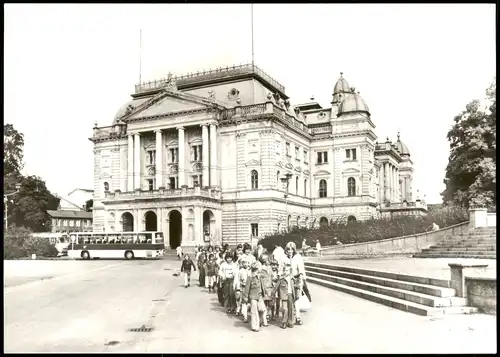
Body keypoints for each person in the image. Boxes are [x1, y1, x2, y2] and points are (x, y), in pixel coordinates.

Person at [284, 241, 308, 325]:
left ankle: (298, 317)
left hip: (296, 279)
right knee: (289, 299)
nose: (290, 251)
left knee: (296, 299)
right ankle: (289, 317)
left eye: (291, 249)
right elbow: (282, 269)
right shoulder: (285, 258)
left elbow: (301, 269)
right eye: (288, 249)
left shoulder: (298, 257)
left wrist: (301, 280)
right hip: (287, 280)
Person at [243, 261, 268, 332]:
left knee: (262, 309)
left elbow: (262, 285)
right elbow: (247, 288)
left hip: (259, 295)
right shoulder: (250, 277)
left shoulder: (259, 276)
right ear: (257, 268)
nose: (261, 268)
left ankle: (259, 321)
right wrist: (245, 297)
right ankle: (255, 326)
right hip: (253, 296)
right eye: (260, 267)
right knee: (254, 312)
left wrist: (264, 293)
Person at [272, 261, 295, 329]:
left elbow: (295, 287)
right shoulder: (281, 279)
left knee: (291, 309)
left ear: (290, 271)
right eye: (284, 270)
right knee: (285, 309)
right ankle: (284, 322)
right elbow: (276, 287)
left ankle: (290, 322)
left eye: (287, 270)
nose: (285, 271)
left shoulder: (292, 279)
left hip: (290, 295)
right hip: (284, 295)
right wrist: (272, 294)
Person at [234, 257, 251, 321]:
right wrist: (238, 288)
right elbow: (238, 280)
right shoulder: (240, 271)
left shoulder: (250, 271)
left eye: (247, 263)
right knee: (244, 302)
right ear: (242, 264)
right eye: (244, 263)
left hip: (250, 288)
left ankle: (247, 313)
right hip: (243, 288)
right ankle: (245, 316)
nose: (246, 264)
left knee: (250, 302)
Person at [259, 253, 273, 322]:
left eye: (268, 259)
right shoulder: (261, 268)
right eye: (266, 260)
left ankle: (268, 312)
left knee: (270, 302)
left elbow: (272, 276)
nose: (268, 261)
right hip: (264, 287)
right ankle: (264, 315)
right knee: (264, 301)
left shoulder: (270, 268)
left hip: (270, 287)